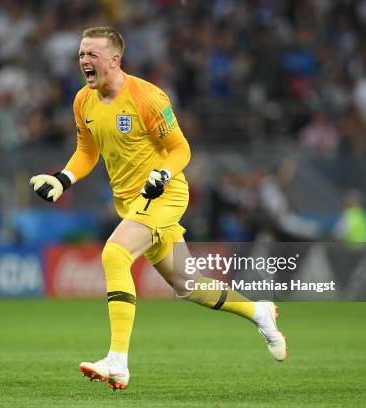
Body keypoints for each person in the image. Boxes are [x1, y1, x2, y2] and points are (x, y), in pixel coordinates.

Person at [30, 27, 287, 390]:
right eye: (81, 54)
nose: (84, 61)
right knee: (188, 285)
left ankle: (117, 361)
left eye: (92, 54)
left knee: (115, 254)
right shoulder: (82, 102)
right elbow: (88, 151)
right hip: (131, 204)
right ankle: (258, 311)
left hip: (163, 195)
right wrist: (63, 179)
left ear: (115, 59)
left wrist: (162, 174)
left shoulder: (146, 97)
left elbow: (181, 149)